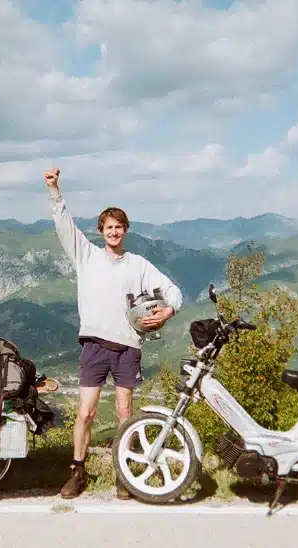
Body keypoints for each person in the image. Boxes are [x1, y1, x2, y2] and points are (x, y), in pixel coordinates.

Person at [43, 168, 183, 500]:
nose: (114, 232)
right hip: (94, 345)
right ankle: (77, 471)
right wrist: (55, 191)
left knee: (124, 414)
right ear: (101, 231)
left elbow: (172, 291)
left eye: (119, 227)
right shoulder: (86, 256)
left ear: (126, 230)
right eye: (109, 227)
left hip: (128, 347)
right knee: (86, 412)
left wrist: (168, 312)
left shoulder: (138, 265)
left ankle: (124, 473)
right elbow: (64, 225)